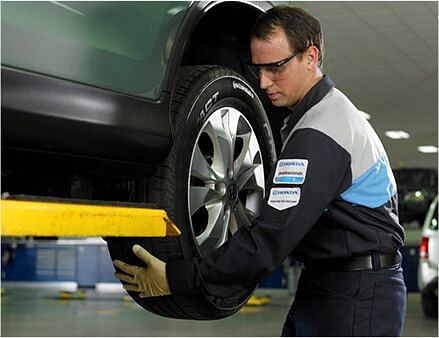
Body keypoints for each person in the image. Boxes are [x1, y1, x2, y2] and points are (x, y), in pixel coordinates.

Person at [113, 6, 406, 336]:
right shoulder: (319, 118)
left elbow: (271, 236)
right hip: (334, 283)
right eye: (259, 69)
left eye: (275, 67)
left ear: (311, 56)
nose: (264, 82)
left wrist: (176, 278)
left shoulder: (321, 131)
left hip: (357, 296)